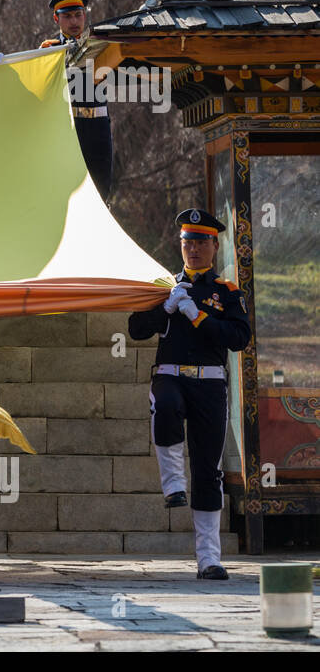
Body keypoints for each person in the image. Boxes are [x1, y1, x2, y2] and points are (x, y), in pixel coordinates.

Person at [127, 209, 251, 580]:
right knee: (164, 405)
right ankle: (173, 487)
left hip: (210, 383)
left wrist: (198, 316)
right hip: (170, 375)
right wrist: (165, 307)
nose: (193, 249)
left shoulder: (227, 292)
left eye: (200, 242)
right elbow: (135, 329)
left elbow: (238, 338)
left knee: (208, 472)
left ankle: (208, 559)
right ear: (179, 246)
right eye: (187, 243)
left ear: (214, 245)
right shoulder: (164, 285)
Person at [40, 0, 113, 200]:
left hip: (98, 126)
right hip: (68, 127)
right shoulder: (49, 49)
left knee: (101, 192)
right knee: (68, 194)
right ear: (56, 19)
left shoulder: (100, 43)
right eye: (68, 16)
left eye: (78, 15)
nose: (74, 22)